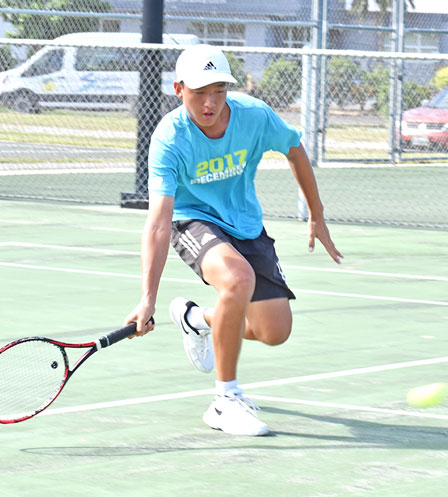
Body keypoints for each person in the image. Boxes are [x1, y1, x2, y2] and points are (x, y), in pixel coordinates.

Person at [125, 44, 343, 436]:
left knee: (274, 332)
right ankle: (224, 401)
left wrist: (317, 214)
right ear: (178, 89)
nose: (210, 102)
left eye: (219, 91)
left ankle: (197, 319)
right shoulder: (169, 138)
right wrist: (147, 298)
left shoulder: (254, 116)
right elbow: (158, 223)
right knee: (237, 279)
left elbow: (294, 149)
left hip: (244, 224)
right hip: (193, 219)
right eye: (199, 92)